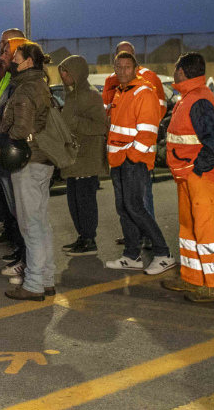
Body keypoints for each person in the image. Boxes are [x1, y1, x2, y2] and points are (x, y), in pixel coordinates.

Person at [0, 43, 56, 301]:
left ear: (28, 62)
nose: (12, 61)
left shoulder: (26, 88)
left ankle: (34, 284)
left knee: (30, 225)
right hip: (41, 160)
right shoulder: (39, 83)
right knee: (40, 222)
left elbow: (21, 130)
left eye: (16, 57)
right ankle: (46, 279)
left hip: (28, 161)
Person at [162, 53, 214, 302]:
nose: (173, 72)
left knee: (205, 229)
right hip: (189, 175)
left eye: (175, 68)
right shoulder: (192, 97)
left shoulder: (198, 99)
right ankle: (192, 279)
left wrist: (196, 170)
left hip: (198, 176)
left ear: (181, 72)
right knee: (190, 227)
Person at [104, 51, 176, 275]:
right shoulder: (120, 92)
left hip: (132, 161)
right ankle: (131, 255)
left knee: (135, 207)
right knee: (124, 208)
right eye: (119, 66)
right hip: (119, 160)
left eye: (127, 67)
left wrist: (132, 156)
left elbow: (148, 132)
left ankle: (163, 254)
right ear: (114, 69)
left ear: (135, 69)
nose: (123, 70)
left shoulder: (143, 92)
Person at [102, 41, 166, 228]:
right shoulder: (111, 81)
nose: (123, 68)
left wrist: (141, 135)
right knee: (125, 201)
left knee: (142, 195)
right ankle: (133, 236)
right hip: (118, 151)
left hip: (138, 149)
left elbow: (158, 108)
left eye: (128, 57)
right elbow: (106, 108)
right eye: (119, 59)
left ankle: (148, 237)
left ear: (135, 59)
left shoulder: (149, 78)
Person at [0, 30, 29, 278]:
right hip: (2, 150)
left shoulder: (23, 81)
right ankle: (21, 252)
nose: (1, 51)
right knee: (14, 210)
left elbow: (14, 120)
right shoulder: (7, 79)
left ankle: (28, 261)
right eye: (1, 45)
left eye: (5, 46)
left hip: (14, 153)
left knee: (24, 212)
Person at [57, 55, 108, 256]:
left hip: (87, 158)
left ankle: (89, 240)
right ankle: (83, 237)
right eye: (62, 70)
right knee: (74, 201)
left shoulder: (91, 95)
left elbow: (101, 126)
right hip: (74, 159)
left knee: (85, 202)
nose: (63, 75)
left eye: (67, 71)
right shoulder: (71, 95)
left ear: (78, 73)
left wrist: (75, 122)